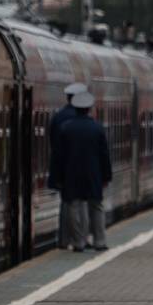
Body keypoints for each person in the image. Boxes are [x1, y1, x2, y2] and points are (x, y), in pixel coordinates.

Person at [57, 89, 112, 252]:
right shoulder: (97, 128)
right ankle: (99, 241)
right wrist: (106, 176)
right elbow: (104, 155)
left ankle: (79, 242)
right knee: (96, 206)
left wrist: (59, 177)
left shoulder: (66, 128)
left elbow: (59, 156)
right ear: (89, 109)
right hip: (93, 174)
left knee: (74, 205)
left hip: (71, 174)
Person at [48, 82, 87, 251]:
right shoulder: (84, 121)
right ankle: (81, 239)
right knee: (80, 206)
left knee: (66, 204)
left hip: (64, 169)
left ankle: (64, 239)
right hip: (81, 170)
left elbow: (54, 147)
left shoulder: (58, 117)